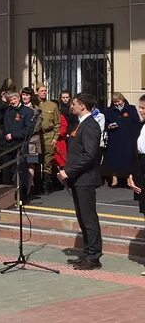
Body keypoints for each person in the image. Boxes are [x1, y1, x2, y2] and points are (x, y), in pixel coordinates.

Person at [57, 93, 103, 270]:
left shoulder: (90, 125)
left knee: (88, 218)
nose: (72, 106)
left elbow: (89, 155)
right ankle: (87, 252)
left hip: (86, 179)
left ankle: (94, 256)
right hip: (78, 179)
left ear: (82, 106)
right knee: (82, 217)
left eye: (74, 104)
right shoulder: (80, 124)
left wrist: (68, 171)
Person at [102, 93, 139, 187]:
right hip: (115, 138)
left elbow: (136, 122)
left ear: (122, 100)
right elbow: (105, 124)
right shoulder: (109, 111)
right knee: (114, 158)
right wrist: (109, 126)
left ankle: (129, 179)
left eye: (118, 101)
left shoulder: (131, 109)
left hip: (128, 138)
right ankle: (115, 179)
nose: (117, 104)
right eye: (115, 102)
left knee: (128, 159)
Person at [126, 94, 145, 276]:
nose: (140, 110)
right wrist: (132, 176)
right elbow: (136, 154)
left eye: (144, 108)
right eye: (140, 107)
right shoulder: (140, 127)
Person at [0, 91, 34, 186]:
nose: (12, 101)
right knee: (6, 170)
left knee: (20, 170)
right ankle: (7, 192)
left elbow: (28, 129)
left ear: (19, 98)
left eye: (14, 99)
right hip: (7, 145)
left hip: (19, 144)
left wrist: (14, 135)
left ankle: (21, 195)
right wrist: (3, 101)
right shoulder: (7, 110)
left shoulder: (28, 111)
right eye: (10, 100)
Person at [36, 83, 61, 194]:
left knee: (47, 163)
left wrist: (55, 137)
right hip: (36, 137)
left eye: (45, 91)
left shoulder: (52, 105)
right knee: (35, 162)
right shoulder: (33, 105)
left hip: (48, 136)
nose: (44, 92)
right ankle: (36, 186)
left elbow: (57, 123)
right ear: (36, 92)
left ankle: (46, 186)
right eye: (42, 91)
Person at [20, 87, 43, 199]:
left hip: (32, 140)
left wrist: (26, 132)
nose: (25, 97)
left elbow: (36, 126)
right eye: (23, 94)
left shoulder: (36, 109)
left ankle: (29, 186)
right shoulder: (18, 108)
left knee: (31, 163)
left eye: (27, 95)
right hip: (20, 141)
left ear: (31, 96)